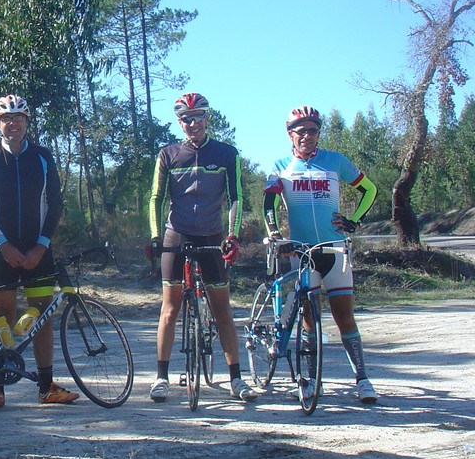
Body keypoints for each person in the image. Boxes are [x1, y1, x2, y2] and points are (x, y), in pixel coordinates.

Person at [263, 105, 379, 404]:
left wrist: (354, 221)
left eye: (313, 131)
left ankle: (362, 380)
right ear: (290, 134)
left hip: (335, 249)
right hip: (301, 251)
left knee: (344, 316)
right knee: (308, 316)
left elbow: (369, 189)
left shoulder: (335, 161)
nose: (307, 136)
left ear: (318, 133)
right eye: (301, 131)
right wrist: (276, 234)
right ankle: (312, 380)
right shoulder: (280, 166)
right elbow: (268, 204)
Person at [146, 93, 258, 403]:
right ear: (179, 122)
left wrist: (233, 236)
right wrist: (155, 237)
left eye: (197, 117)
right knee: (170, 309)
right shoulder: (168, 154)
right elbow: (156, 198)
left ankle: (236, 378)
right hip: (177, 234)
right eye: (186, 119)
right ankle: (161, 377)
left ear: (207, 118)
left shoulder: (226, 153)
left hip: (212, 236)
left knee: (222, 309)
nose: (192, 123)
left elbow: (236, 197)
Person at [0, 94, 78, 410]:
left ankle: (46, 387)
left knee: (41, 316)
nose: (13, 123)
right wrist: (2, 245)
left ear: (27, 121)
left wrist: (41, 245)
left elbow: (55, 203)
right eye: (6, 118)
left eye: (18, 117)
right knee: (1, 317)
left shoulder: (42, 156)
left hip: (37, 248)